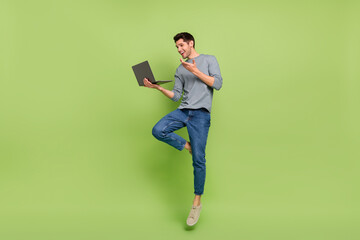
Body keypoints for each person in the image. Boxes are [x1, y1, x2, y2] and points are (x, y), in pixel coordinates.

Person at [143, 32, 223, 226]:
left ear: (191, 43)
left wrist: (195, 71)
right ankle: (187, 146)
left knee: (199, 160)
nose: (179, 49)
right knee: (158, 130)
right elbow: (176, 96)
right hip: (183, 111)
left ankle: (196, 204)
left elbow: (218, 84)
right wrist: (158, 88)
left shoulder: (209, 60)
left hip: (201, 115)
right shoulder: (180, 69)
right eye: (177, 47)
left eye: (181, 45)